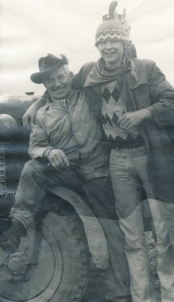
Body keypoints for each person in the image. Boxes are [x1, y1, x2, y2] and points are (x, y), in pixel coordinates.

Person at [21, 15, 174, 301]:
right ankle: (141, 297)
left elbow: (172, 102)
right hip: (117, 162)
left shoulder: (146, 69)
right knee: (131, 235)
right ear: (97, 46)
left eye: (114, 40)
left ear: (124, 43)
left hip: (151, 157)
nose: (108, 46)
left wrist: (141, 114)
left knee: (165, 232)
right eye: (103, 41)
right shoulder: (88, 72)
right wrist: (37, 103)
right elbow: (58, 85)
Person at [0, 53, 132, 302]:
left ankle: (119, 294)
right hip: (66, 173)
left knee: (113, 232)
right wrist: (49, 151)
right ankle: (16, 227)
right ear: (45, 86)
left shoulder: (88, 94)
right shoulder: (42, 114)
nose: (57, 84)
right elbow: (34, 147)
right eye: (50, 81)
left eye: (61, 77)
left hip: (98, 174)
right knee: (32, 168)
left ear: (69, 75)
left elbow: (105, 67)